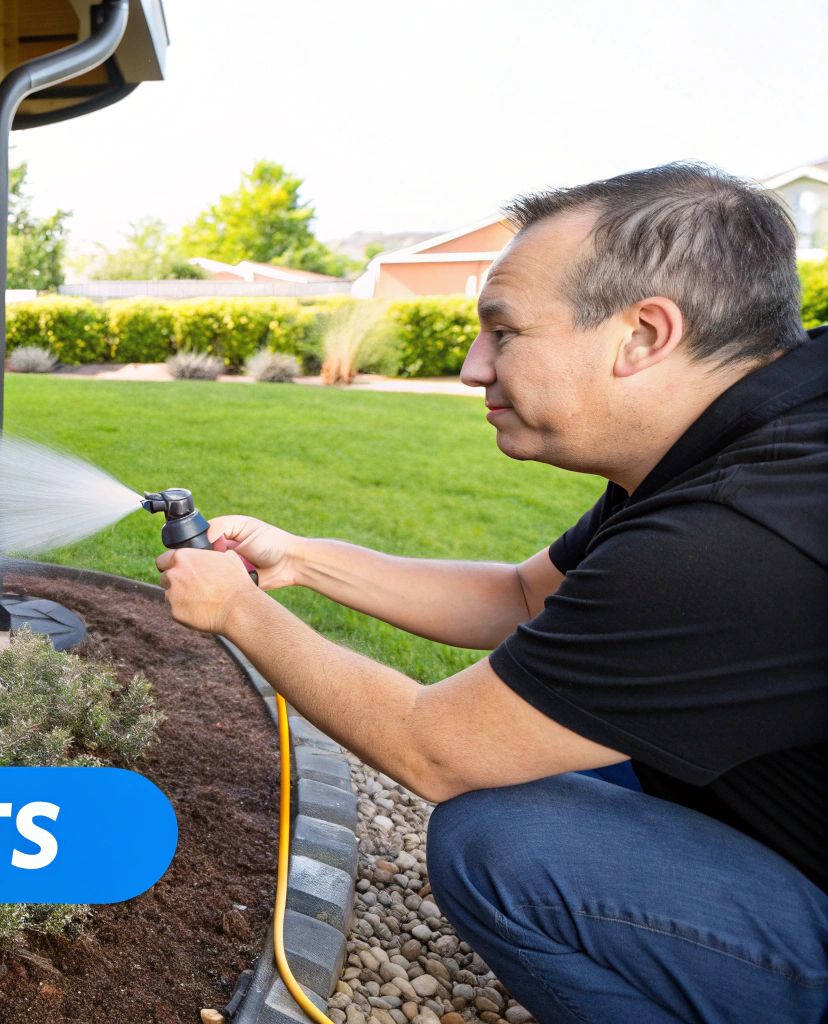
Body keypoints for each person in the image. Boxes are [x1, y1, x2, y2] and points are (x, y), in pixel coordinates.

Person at [155, 163, 828, 1024]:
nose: (476, 367)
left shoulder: (740, 532)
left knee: (498, 847)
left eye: (504, 332)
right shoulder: (729, 437)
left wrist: (240, 611)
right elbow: (520, 595)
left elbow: (434, 750)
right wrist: (303, 559)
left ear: (644, 335)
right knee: (562, 750)